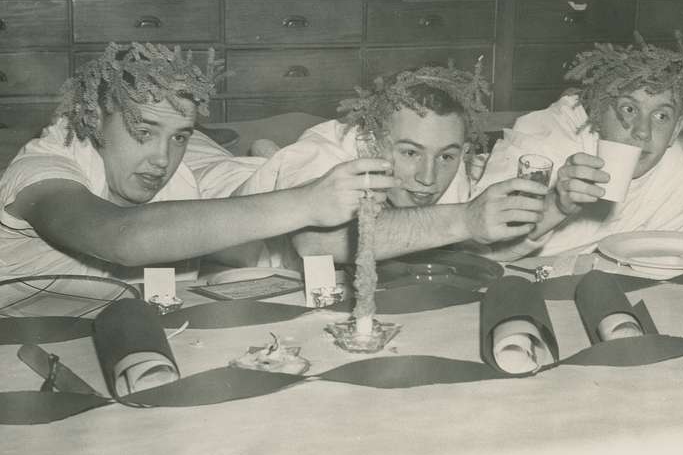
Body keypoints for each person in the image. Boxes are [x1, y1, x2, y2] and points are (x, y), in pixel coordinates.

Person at [0, 42, 394, 281]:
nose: (162, 158)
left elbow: (237, 231)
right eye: (143, 132)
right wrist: (307, 201)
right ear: (93, 121)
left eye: (179, 137)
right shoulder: (41, 171)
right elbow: (122, 238)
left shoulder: (180, 180)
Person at [233, 61, 547, 267]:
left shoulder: (450, 162)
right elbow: (317, 243)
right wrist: (465, 218)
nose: (429, 178)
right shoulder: (324, 153)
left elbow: (468, 253)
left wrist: (558, 206)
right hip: (231, 204)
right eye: (410, 153)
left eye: (447, 156)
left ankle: (265, 155)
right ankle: (265, 159)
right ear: (372, 143)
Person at [472, 35, 683, 258]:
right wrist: (556, 203)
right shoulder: (541, 144)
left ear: (676, 131)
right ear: (597, 111)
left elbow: (680, 260)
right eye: (629, 109)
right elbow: (479, 252)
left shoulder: (682, 175)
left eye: (661, 116)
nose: (642, 132)